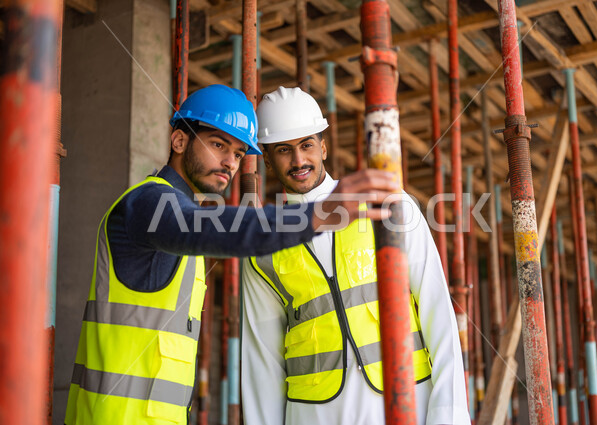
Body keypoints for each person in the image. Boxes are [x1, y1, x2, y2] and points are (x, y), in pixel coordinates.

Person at [64, 84, 398, 425]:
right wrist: (314, 215)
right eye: (218, 144)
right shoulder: (147, 205)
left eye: (239, 154)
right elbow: (212, 226)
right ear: (179, 141)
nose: (229, 162)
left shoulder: (175, 214)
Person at [241, 86, 470, 425]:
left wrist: (448, 416)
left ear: (323, 147)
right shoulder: (263, 247)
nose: (299, 160)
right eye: (284, 150)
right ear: (267, 157)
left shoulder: (387, 204)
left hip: (404, 401)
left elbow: (438, 313)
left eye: (306, 145)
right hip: (312, 414)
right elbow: (262, 359)